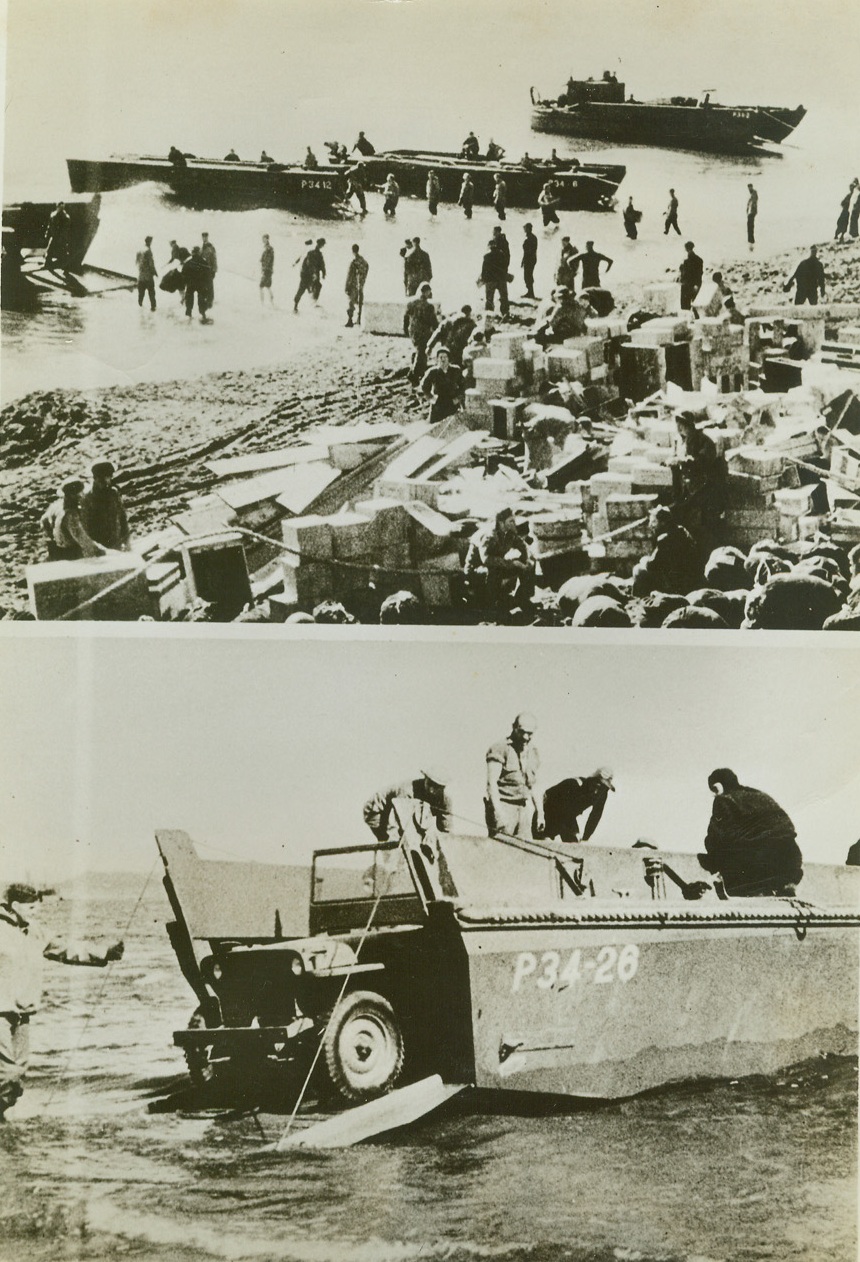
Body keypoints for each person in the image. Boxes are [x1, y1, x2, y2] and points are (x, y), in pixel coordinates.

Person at [0, 884, 124, 1119]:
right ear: (15, 906)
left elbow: (66, 949)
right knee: (7, 1074)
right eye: (31, 908)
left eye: (38, 908)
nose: (37, 912)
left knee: (18, 1075)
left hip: (23, 1011)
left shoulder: (35, 931)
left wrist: (105, 953)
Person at [698, 768, 803, 897]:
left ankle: (747, 888)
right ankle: (782, 885)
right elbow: (788, 828)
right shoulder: (761, 795)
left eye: (714, 790)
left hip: (758, 863)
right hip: (791, 860)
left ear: (719, 786)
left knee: (714, 850)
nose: (714, 795)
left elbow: (717, 836)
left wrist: (712, 860)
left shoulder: (724, 799)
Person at [671, 412, 726, 553]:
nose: (678, 427)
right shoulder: (680, 441)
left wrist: (685, 461)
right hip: (688, 489)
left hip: (705, 488)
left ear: (688, 425)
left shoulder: (703, 441)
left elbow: (705, 461)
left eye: (681, 424)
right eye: (677, 424)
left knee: (705, 526)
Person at [464, 507, 536, 614]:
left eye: (514, 521)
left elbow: (523, 547)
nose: (514, 524)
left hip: (497, 565)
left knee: (529, 564)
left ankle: (523, 598)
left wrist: (528, 561)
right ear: (501, 523)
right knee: (494, 570)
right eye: (511, 521)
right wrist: (511, 564)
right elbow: (487, 559)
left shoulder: (510, 533)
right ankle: (491, 605)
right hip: (476, 570)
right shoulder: (490, 535)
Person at [484, 713, 543, 841]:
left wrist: (540, 812)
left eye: (530, 733)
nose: (526, 737)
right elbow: (491, 783)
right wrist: (499, 813)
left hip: (523, 808)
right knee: (502, 850)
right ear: (514, 727)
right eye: (522, 732)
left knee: (526, 852)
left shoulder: (533, 752)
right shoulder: (500, 748)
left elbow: (533, 785)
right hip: (504, 805)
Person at [363, 769, 452, 842]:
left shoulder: (445, 801)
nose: (432, 790)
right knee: (392, 842)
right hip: (377, 811)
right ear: (425, 779)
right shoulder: (407, 791)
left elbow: (445, 832)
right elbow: (397, 823)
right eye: (429, 784)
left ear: (443, 788)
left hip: (400, 814)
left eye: (437, 787)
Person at [631, 505, 702, 596]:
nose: (650, 525)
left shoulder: (664, 539)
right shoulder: (682, 531)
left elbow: (651, 565)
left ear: (663, 523)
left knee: (638, 570)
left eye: (654, 522)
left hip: (675, 585)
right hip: (691, 580)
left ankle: (639, 598)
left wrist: (644, 560)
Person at [40, 478, 110, 561]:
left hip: (57, 550)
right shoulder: (70, 515)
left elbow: (43, 521)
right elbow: (82, 539)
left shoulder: (56, 506)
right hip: (71, 554)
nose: (82, 496)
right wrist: (101, 551)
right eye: (80, 494)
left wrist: (53, 538)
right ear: (74, 495)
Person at [543, 769, 616, 844]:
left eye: (603, 787)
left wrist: (585, 837)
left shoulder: (602, 794)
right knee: (545, 839)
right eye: (596, 785)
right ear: (591, 780)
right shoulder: (573, 784)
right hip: (550, 810)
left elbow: (595, 816)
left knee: (574, 844)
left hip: (567, 815)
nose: (596, 791)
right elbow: (550, 801)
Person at [81, 460, 131, 551]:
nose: (107, 481)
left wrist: (126, 540)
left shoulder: (113, 493)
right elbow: (85, 525)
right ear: (95, 478)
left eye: (108, 477)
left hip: (116, 541)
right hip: (99, 545)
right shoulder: (87, 498)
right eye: (102, 479)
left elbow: (122, 517)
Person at [403, 283, 438, 385]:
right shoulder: (428, 306)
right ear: (427, 292)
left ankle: (417, 370)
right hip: (423, 333)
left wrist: (406, 329)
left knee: (419, 351)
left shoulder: (411, 303)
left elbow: (406, 317)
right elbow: (433, 322)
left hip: (413, 331)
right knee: (422, 352)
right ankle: (413, 374)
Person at [420, 347, 464, 425]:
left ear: (449, 359)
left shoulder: (456, 370)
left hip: (452, 402)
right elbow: (424, 386)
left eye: (445, 357)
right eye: (440, 357)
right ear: (437, 359)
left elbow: (463, 386)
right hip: (438, 404)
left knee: (452, 425)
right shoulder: (432, 372)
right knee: (434, 426)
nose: (443, 360)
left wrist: (458, 398)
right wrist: (431, 398)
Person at [479, 240, 510, 318]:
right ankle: (505, 313)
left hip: (490, 280)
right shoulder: (502, 254)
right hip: (501, 279)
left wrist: (483, 279)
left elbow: (484, 270)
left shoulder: (486, 256)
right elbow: (505, 266)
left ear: (489, 247)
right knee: (504, 297)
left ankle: (489, 315)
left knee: (489, 299)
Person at [294, 237, 326, 312]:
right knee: (302, 289)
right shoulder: (311, 253)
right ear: (320, 245)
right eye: (322, 245)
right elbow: (310, 264)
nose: (323, 246)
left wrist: (324, 272)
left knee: (317, 286)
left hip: (312, 274)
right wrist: (314, 273)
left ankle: (314, 301)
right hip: (306, 274)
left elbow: (322, 264)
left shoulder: (319, 253)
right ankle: (296, 305)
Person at [181, 246, 212, 322]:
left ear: (193, 253)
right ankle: (203, 314)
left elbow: (183, 273)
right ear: (199, 252)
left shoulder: (188, 262)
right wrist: (207, 285)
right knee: (201, 299)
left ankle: (188, 313)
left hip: (191, 284)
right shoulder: (204, 262)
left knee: (189, 297)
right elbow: (208, 275)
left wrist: (185, 283)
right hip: (201, 284)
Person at [344, 242, 369, 327]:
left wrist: (347, 286)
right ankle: (359, 319)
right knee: (360, 302)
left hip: (354, 285)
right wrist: (362, 280)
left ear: (352, 251)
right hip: (361, 285)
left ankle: (350, 320)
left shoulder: (354, 262)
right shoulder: (363, 261)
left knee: (351, 303)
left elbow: (349, 275)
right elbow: (366, 268)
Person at [44, 201, 71, 271]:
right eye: (59, 206)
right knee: (50, 250)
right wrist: (47, 233)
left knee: (64, 251)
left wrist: (63, 236)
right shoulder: (53, 215)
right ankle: (47, 263)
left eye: (62, 206)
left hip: (61, 236)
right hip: (55, 235)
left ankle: (66, 267)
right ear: (57, 206)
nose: (61, 207)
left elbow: (66, 228)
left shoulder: (66, 217)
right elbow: (49, 225)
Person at [678, 240, 704, 310]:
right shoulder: (699, 259)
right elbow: (700, 273)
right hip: (696, 283)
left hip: (687, 285)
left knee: (685, 305)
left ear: (686, 248)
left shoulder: (686, 261)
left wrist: (682, 270)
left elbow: (685, 273)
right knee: (695, 304)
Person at [135, 235, 157, 310]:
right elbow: (151, 264)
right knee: (151, 293)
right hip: (148, 276)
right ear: (150, 242)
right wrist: (155, 273)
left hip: (141, 275)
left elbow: (136, 262)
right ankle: (153, 309)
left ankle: (140, 307)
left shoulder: (140, 250)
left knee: (141, 293)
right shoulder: (148, 251)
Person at [200, 232, 218, 307]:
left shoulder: (211, 247)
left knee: (210, 285)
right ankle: (206, 299)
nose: (204, 238)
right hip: (203, 270)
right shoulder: (202, 247)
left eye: (205, 237)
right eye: (203, 237)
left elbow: (214, 259)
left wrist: (214, 270)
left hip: (209, 269)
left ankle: (210, 301)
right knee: (204, 285)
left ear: (207, 237)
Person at [522, 222, 538, 298]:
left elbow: (530, 251)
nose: (524, 229)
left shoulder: (531, 238)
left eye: (525, 228)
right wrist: (523, 260)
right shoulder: (531, 237)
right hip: (529, 259)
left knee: (528, 276)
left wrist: (525, 260)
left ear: (528, 229)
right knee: (527, 276)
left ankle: (531, 292)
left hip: (530, 260)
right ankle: (530, 292)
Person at [259, 233, 274, 304]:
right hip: (269, 270)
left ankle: (262, 303)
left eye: (264, 238)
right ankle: (271, 300)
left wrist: (264, 268)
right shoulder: (268, 248)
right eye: (263, 238)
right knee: (268, 286)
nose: (263, 240)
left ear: (267, 239)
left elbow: (268, 260)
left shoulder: (268, 248)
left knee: (261, 286)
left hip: (267, 270)